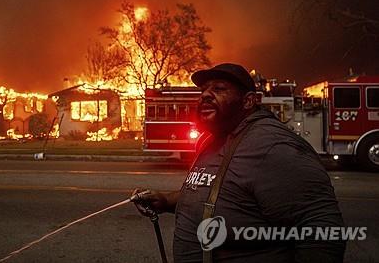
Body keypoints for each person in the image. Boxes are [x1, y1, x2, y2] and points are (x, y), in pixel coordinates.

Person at [132, 63, 345, 262]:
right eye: (204, 90)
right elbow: (218, 192)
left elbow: (323, 232)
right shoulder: (214, 139)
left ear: (248, 101)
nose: (205, 94)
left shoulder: (272, 145)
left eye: (219, 89)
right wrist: (166, 200)